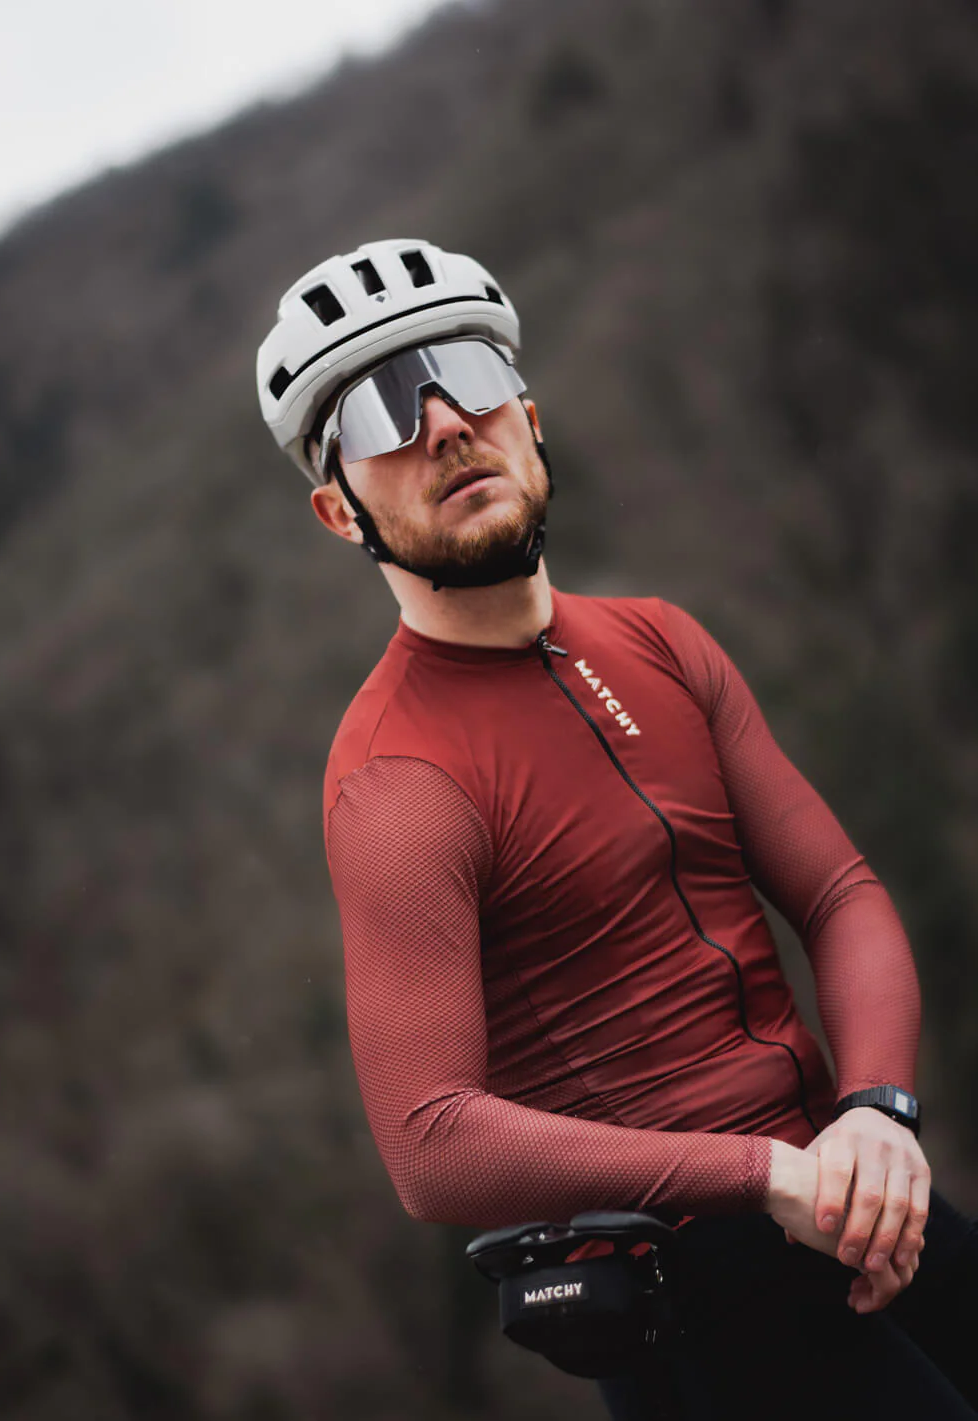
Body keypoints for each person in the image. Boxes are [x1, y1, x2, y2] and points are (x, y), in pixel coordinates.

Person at [256, 238, 977, 1418]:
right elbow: (430, 1142)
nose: (444, 424)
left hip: (855, 1190)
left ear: (529, 421)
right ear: (339, 511)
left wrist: (877, 1108)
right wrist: (761, 1173)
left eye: (466, 376)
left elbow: (837, 891)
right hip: (696, 1289)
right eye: (382, 411)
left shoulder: (656, 639)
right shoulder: (396, 779)